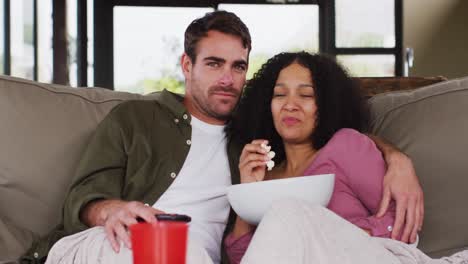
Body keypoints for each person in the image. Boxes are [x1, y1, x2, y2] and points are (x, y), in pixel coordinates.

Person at [21, 11, 422, 264]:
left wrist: (396, 157)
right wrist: (112, 210)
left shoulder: (251, 140)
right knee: (162, 246)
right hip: (112, 242)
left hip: (194, 256)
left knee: (187, 252)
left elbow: (327, 137)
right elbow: (81, 199)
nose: (228, 79)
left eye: (238, 66)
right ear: (186, 65)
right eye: (214, 64)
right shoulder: (136, 118)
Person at [224, 51, 467, 264]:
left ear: (327, 104)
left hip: (377, 257)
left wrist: (325, 234)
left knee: (287, 211)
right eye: (279, 95)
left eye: (306, 95)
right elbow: (243, 257)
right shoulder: (266, 177)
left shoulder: (345, 147)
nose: (290, 105)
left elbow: (402, 227)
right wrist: (249, 191)